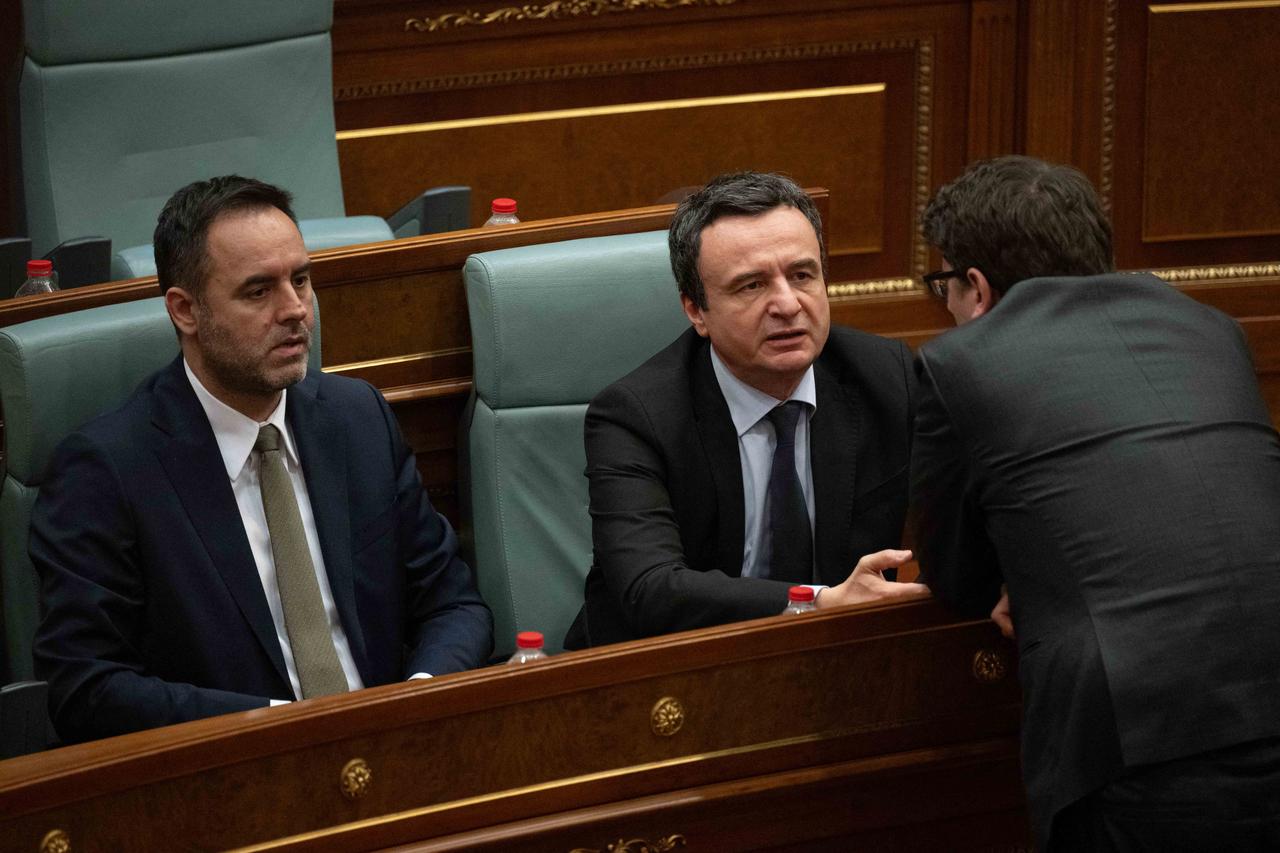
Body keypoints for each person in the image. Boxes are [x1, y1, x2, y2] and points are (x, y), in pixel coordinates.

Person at [31, 176, 493, 743]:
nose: (296, 310)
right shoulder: (107, 471)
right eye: (258, 291)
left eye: (301, 279)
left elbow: (452, 602)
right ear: (185, 311)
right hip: (234, 780)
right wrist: (271, 728)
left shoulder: (357, 419)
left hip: (396, 744)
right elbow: (86, 687)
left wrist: (420, 694)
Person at [910, 155, 1280, 851]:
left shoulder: (961, 366)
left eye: (945, 288)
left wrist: (1021, 580)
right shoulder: (1211, 329)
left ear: (977, 289)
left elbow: (955, 575)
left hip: (1143, 743)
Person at [564, 171, 925, 649]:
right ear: (696, 311)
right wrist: (817, 602)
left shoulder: (885, 376)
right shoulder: (636, 416)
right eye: (751, 286)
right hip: (672, 664)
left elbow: (973, 497)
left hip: (838, 658)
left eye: (802, 275)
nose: (787, 304)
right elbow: (650, 590)